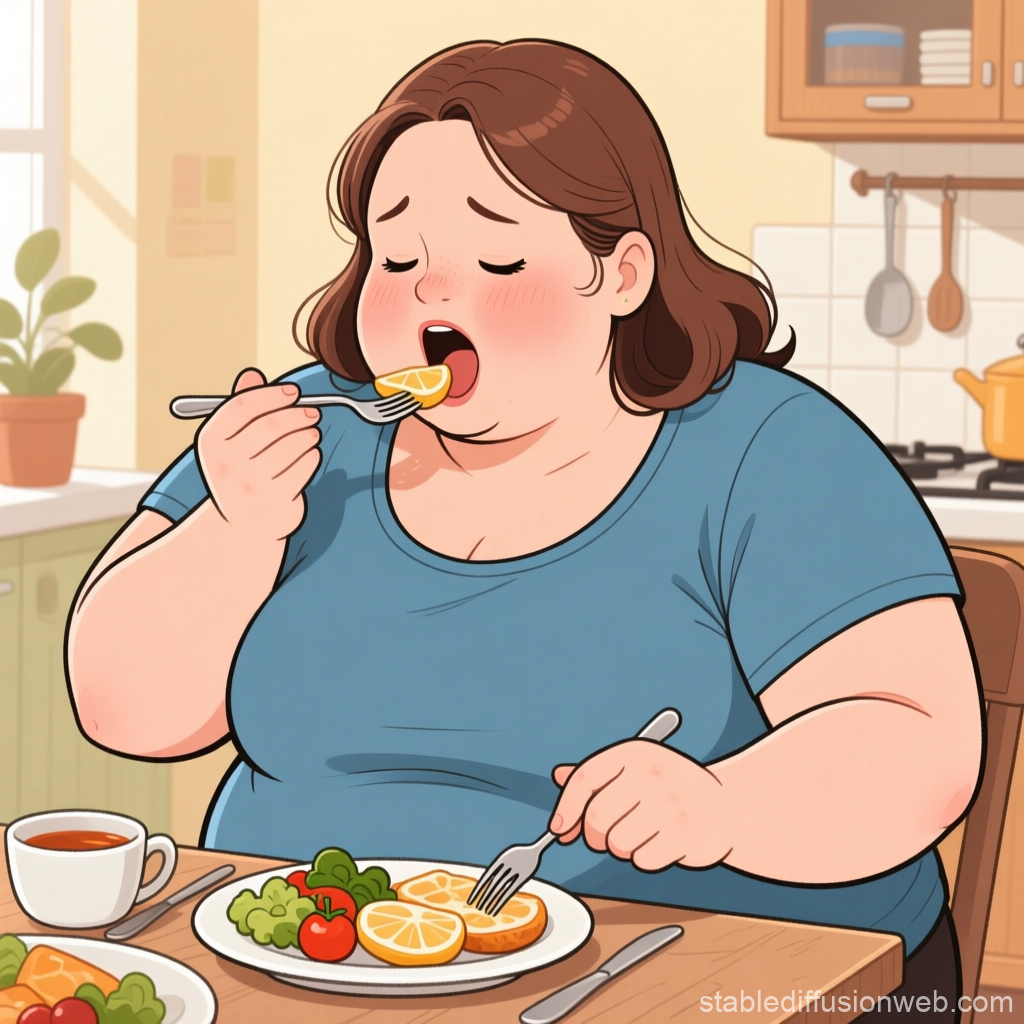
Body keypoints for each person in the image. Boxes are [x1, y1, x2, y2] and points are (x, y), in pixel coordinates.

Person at [67, 39, 981, 1018]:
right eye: (396, 256)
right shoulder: (303, 431)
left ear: (622, 273)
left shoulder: (767, 447)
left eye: (497, 256)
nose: (430, 289)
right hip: (311, 973)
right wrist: (233, 527)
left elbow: (917, 741)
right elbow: (126, 715)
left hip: (700, 976)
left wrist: (723, 808)